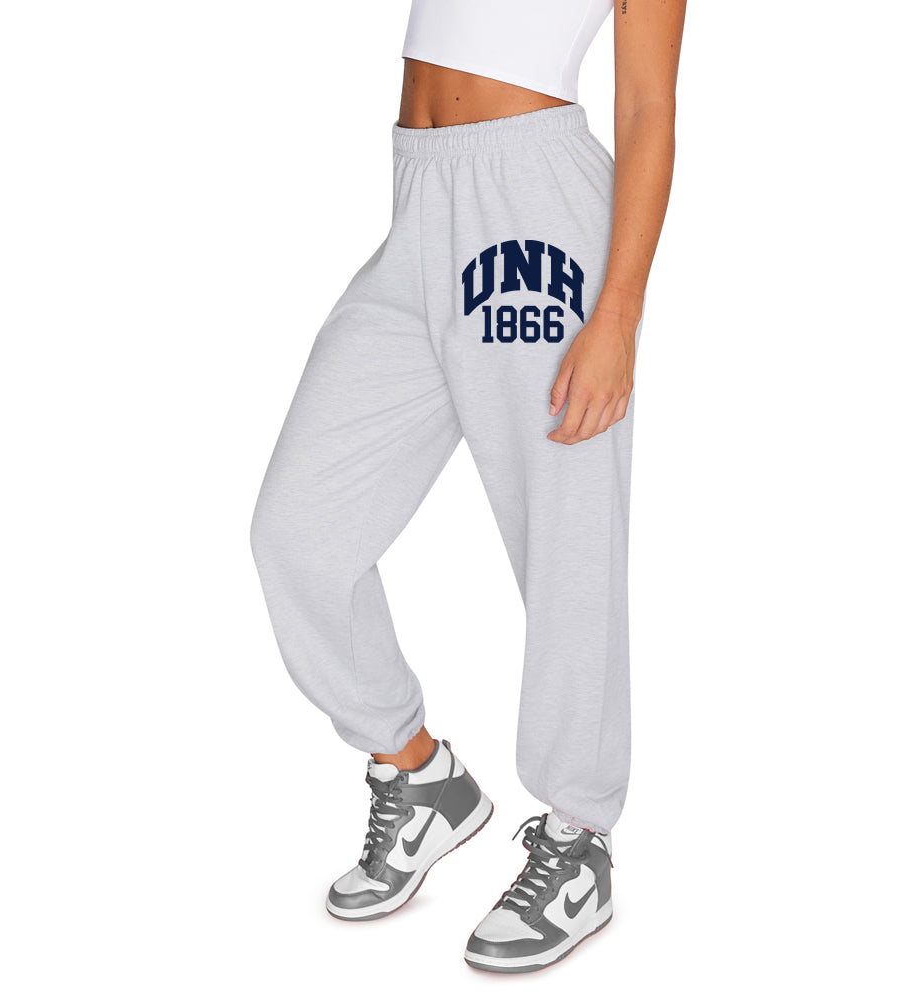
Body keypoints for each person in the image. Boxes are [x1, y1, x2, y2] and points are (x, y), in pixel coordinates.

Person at [250, 0, 686, 974]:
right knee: (298, 533)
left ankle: (578, 836)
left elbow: (649, 105)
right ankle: (421, 777)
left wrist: (618, 314)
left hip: (533, 213)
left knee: (565, 542)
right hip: (416, 206)